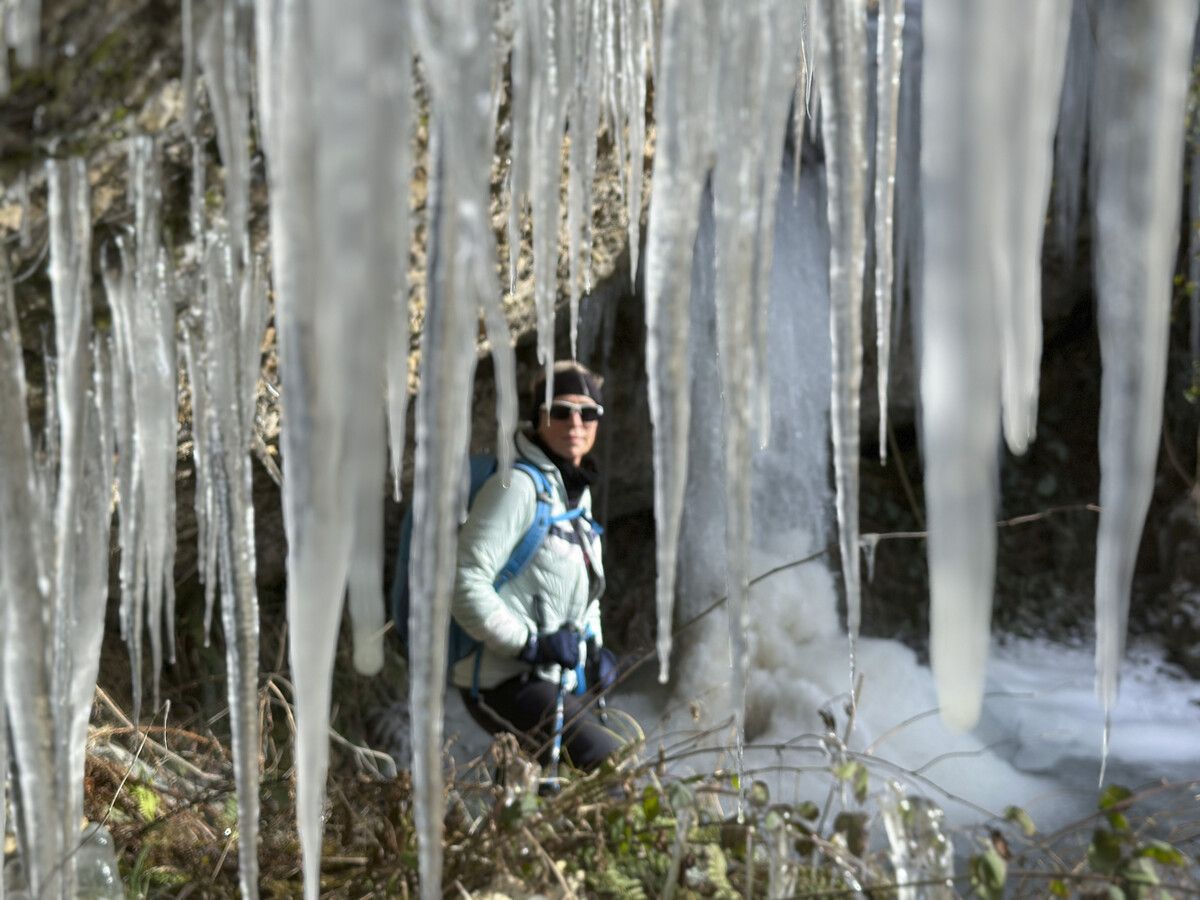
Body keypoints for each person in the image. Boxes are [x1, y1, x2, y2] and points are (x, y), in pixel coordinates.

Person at [451, 360, 624, 772]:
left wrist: (593, 648)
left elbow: (585, 591)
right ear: (539, 417)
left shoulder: (574, 495)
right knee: (609, 767)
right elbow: (463, 582)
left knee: (539, 791)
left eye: (589, 413)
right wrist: (528, 644)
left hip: (550, 678)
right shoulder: (516, 488)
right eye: (561, 410)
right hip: (500, 682)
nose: (576, 422)